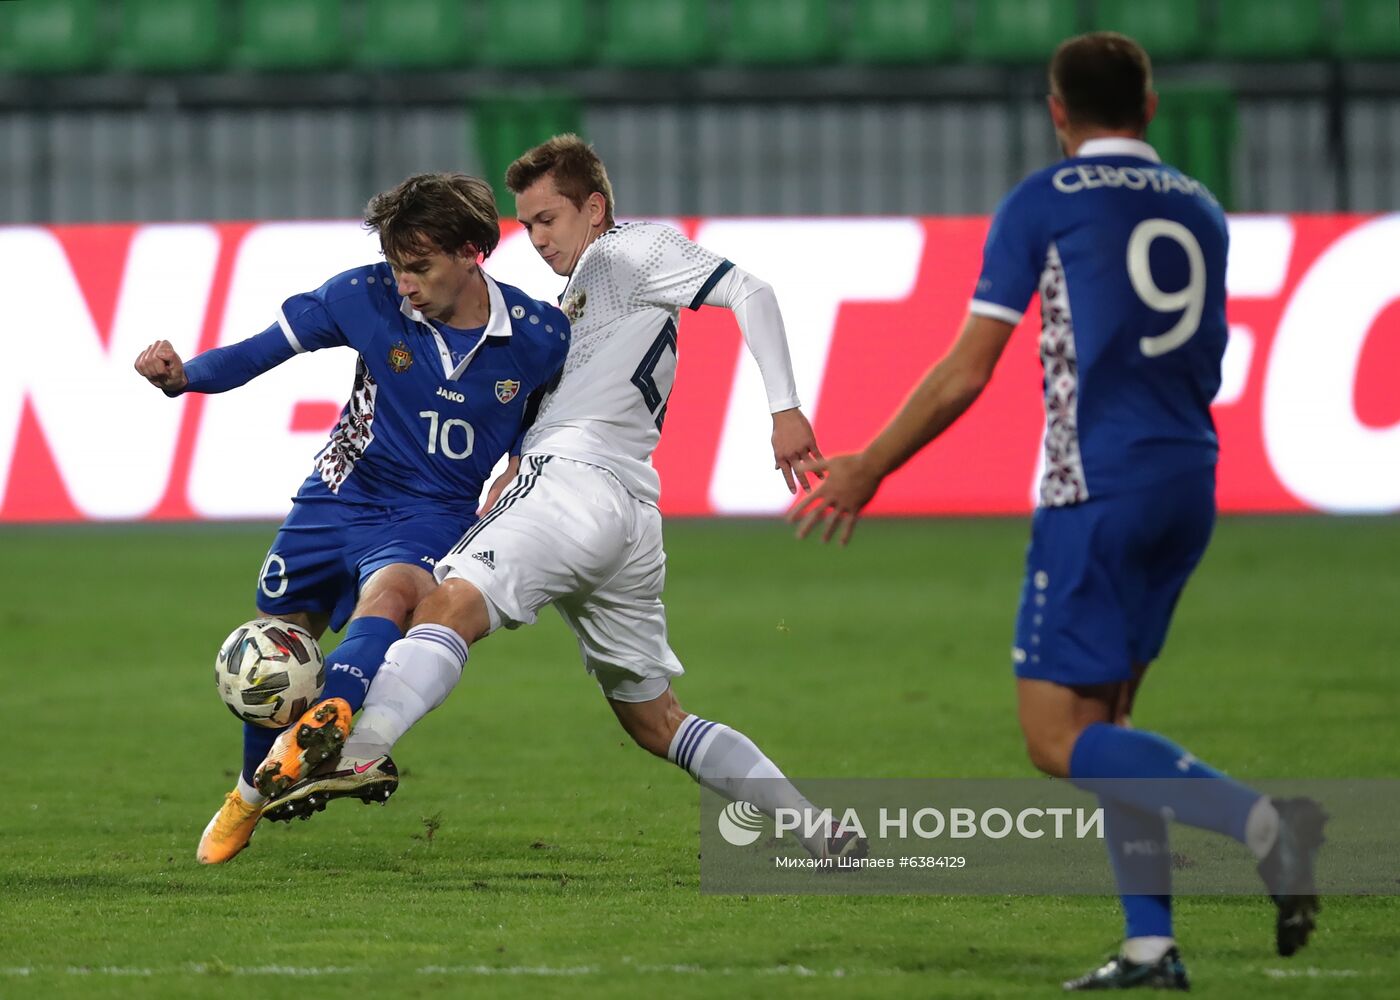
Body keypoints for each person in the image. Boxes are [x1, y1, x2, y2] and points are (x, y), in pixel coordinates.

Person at [789, 32, 1325, 991]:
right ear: (1151, 107)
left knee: (1055, 738)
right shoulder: (1202, 209)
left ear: (1058, 111)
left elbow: (967, 368)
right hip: (1190, 479)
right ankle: (1151, 947)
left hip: (1097, 487)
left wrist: (870, 463)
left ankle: (1266, 826)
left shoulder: (1044, 200)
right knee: (1111, 721)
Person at [258, 134, 862, 862]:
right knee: (656, 721)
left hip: (573, 480)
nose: (536, 238)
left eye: (548, 219)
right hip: (629, 513)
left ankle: (361, 746)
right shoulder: (580, 297)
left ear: (595, 207)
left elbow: (751, 291)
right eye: (527, 223)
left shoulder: (625, 252)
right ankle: (816, 827)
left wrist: (786, 409)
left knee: (440, 601)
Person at [135, 172, 569, 865]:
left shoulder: (542, 336)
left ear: (470, 252)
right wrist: (185, 376)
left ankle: (318, 733)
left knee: (396, 597)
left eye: (420, 267)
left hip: (432, 512)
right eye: (398, 266)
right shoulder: (363, 295)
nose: (405, 283)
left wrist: (519, 468)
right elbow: (259, 351)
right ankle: (253, 789)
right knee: (276, 649)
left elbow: (545, 427)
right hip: (339, 493)